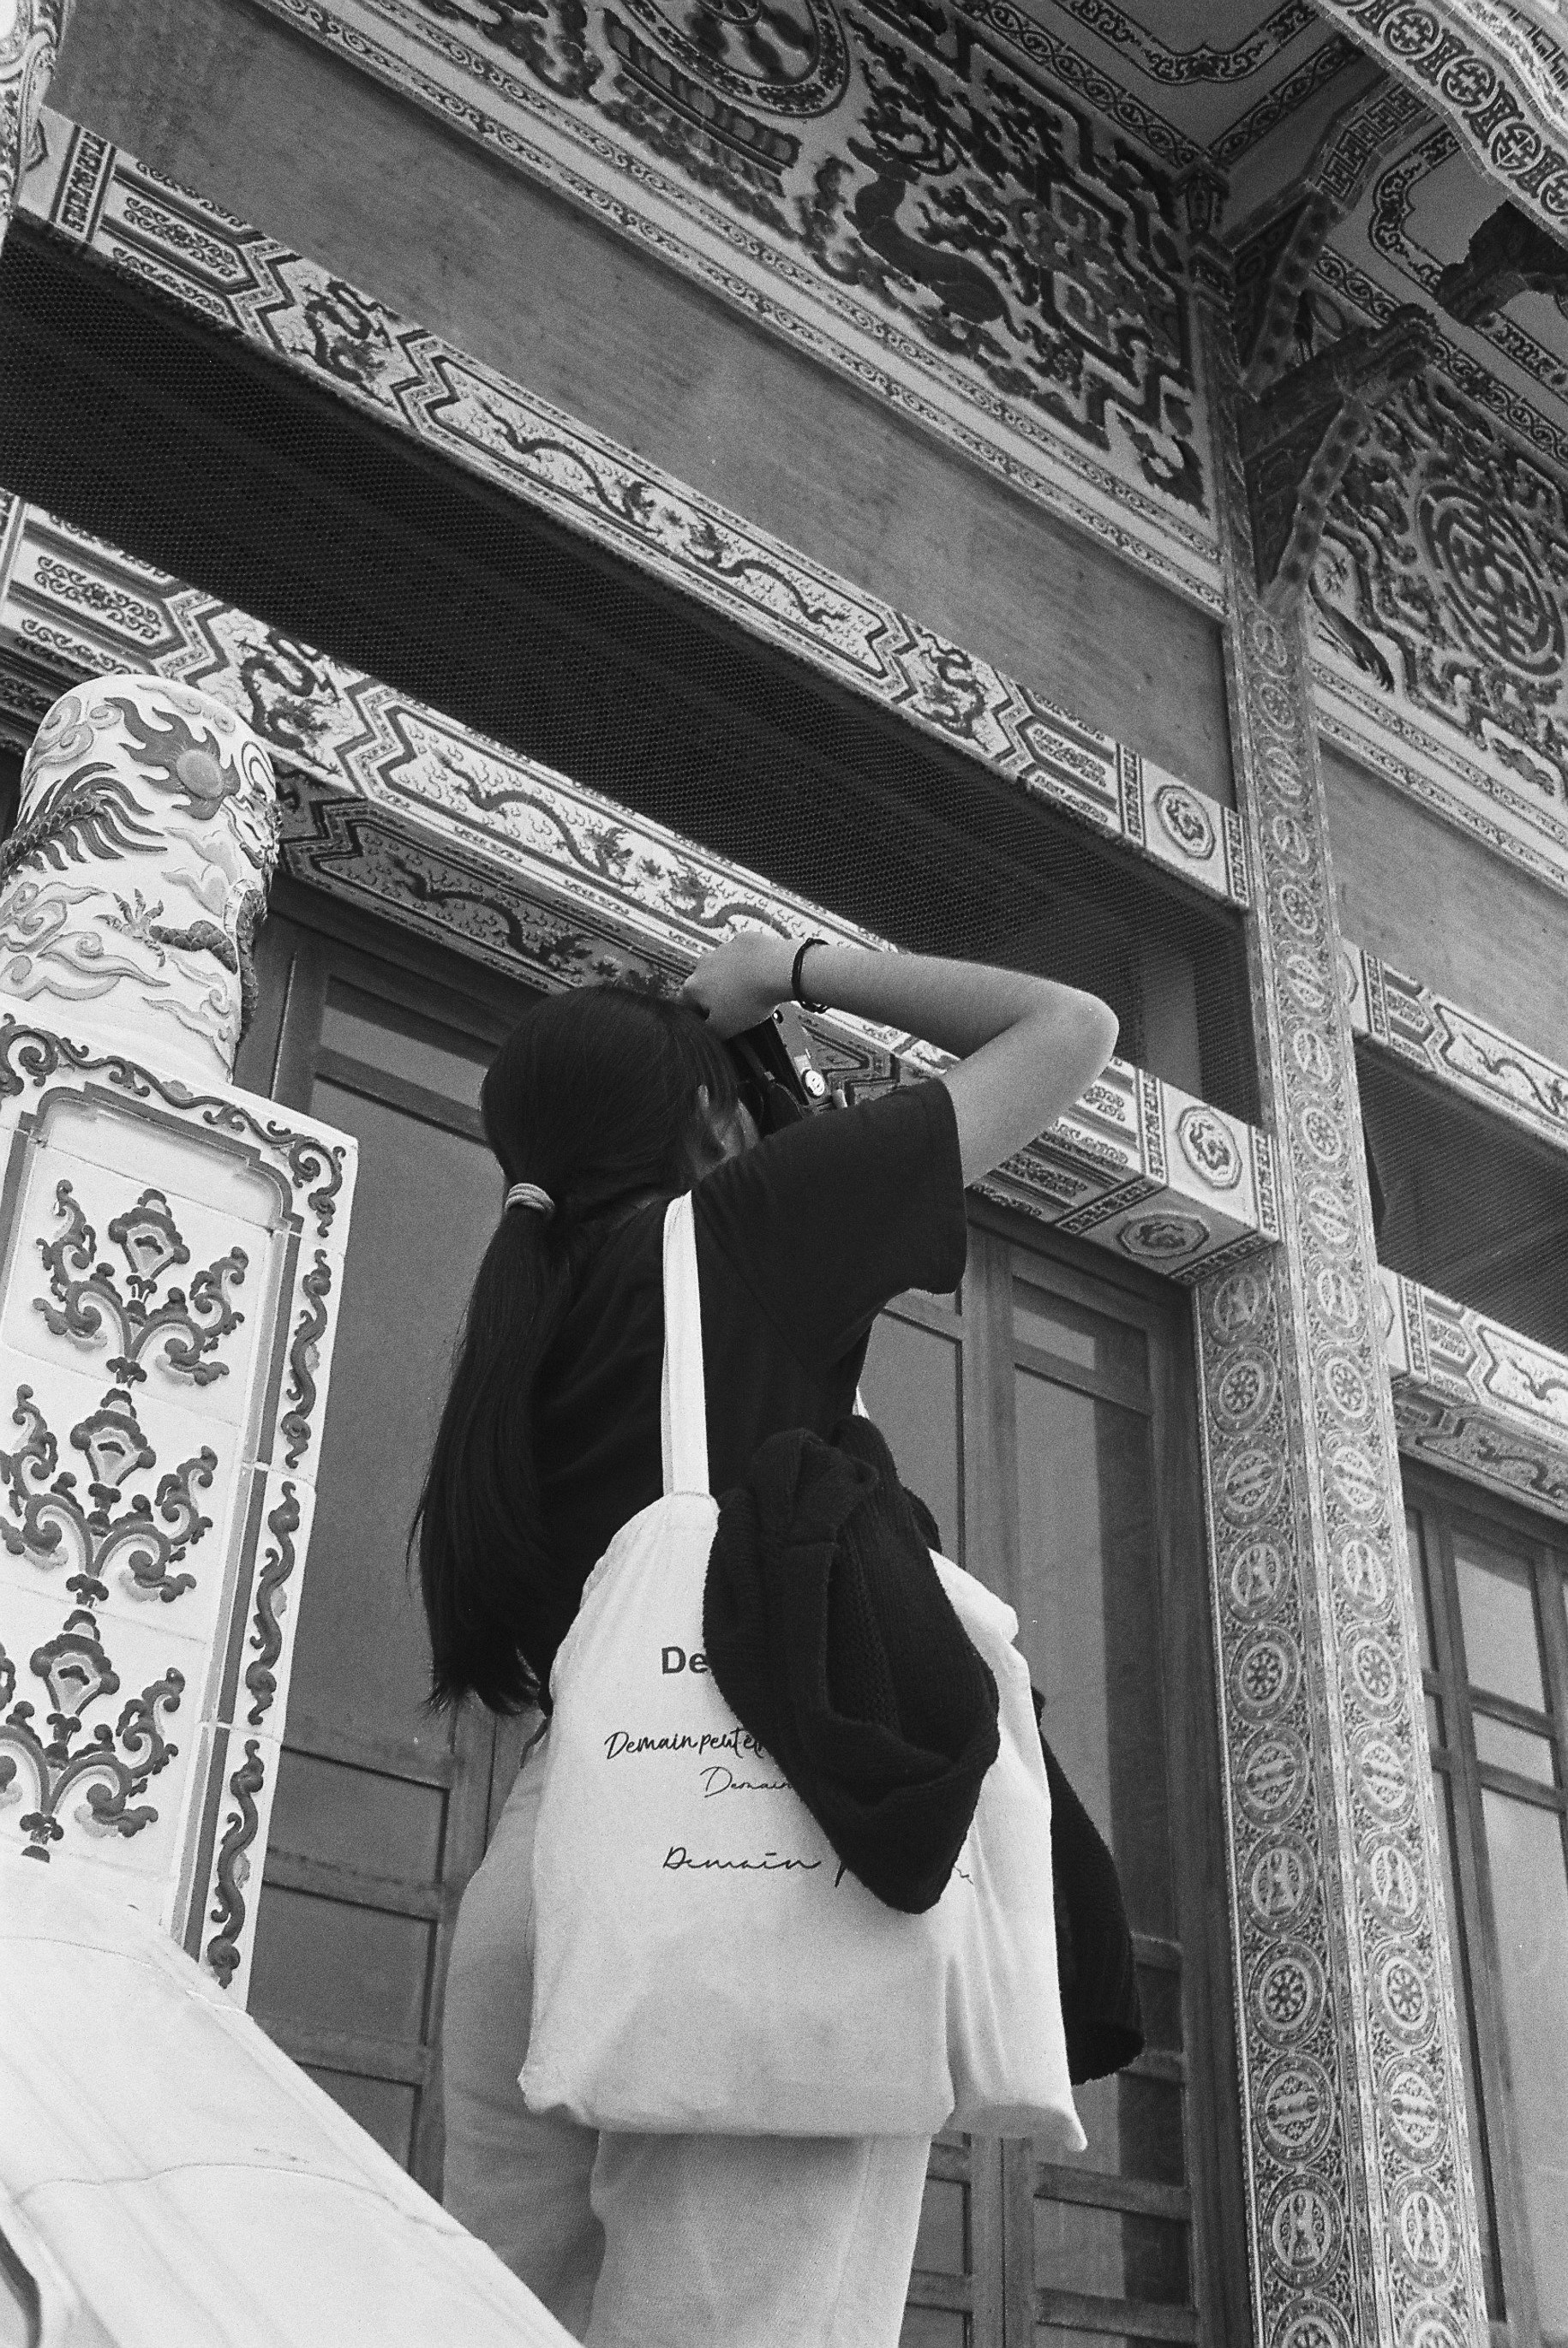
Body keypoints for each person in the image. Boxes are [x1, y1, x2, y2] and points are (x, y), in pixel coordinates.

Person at [420, 930, 1118, 2348]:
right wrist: (786, 969)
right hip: (753, 1861)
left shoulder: (531, 1314)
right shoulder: (739, 1232)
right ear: (702, 1117)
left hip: (556, 1871)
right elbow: (1067, 1026)